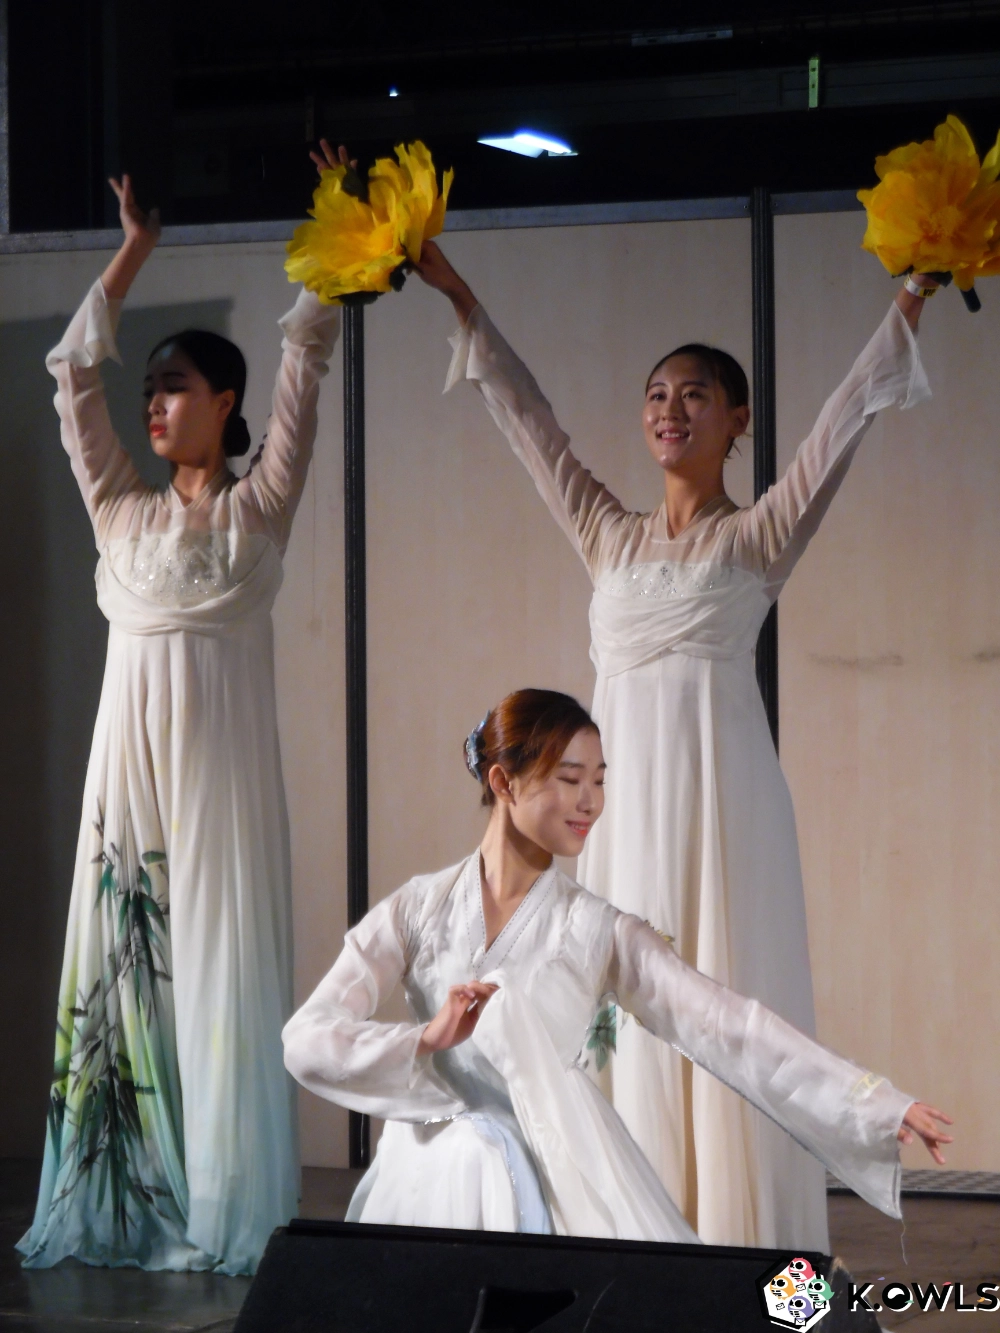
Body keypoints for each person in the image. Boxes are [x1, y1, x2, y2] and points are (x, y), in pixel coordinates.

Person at [413, 237, 938, 1249]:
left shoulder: (756, 536)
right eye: (657, 394)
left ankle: (745, 1248)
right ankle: (637, 1240)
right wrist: (461, 297)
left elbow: (842, 422)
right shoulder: (608, 534)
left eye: (695, 395)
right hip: (617, 810)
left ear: (736, 420)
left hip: (723, 807)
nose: (670, 409)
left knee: (723, 991)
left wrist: (914, 291)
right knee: (622, 999)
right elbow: (531, 426)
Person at [283, 688, 951, 1241]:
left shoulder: (595, 929)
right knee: (466, 1159)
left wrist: (871, 1103)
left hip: (550, 1178)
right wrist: (424, 1041)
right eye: (570, 779)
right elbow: (306, 1037)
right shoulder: (417, 908)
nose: (591, 803)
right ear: (503, 781)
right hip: (429, 1176)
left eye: (599, 781)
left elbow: (728, 1025)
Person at [18, 172, 339, 1274]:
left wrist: (330, 243)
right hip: (130, 769)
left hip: (221, 774)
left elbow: (306, 360)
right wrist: (132, 253)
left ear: (224, 400)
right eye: (149, 387)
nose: (153, 404)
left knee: (215, 967)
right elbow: (71, 375)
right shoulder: (119, 504)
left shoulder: (259, 504)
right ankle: (128, 1192)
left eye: (174, 386)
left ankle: (220, 1191)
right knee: (130, 961)